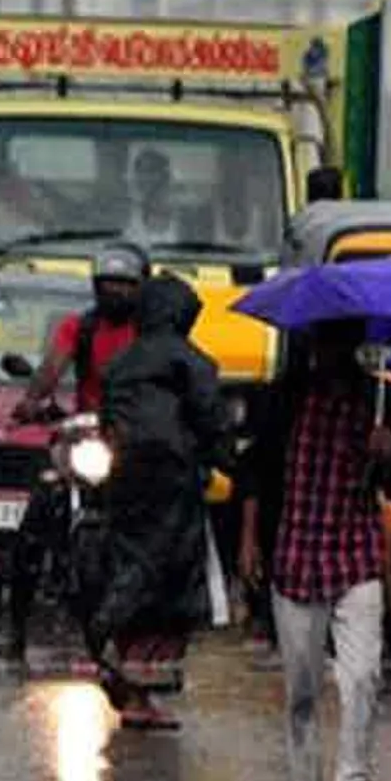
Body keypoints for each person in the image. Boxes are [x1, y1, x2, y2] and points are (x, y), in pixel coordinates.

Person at [239, 319, 391, 781]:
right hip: (294, 555)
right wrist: (248, 542)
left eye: (339, 343)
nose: (329, 353)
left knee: (362, 678)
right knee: (303, 695)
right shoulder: (282, 398)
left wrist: (386, 454)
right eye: (321, 342)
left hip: (355, 554)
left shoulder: (384, 399)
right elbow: (257, 474)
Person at [0, 243, 151, 663]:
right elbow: (51, 370)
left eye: (125, 285)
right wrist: (32, 402)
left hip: (136, 442)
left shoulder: (151, 334)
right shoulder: (78, 328)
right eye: (108, 285)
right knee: (36, 520)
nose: (115, 293)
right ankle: (16, 634)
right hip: (87, 437)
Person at [88, 276, 232, 729]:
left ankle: (125, 670)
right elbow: (213, 425)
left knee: (132, 566)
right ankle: (136, 676)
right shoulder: (194, 364)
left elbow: (107, 420)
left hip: (124, 486)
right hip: (175, 489)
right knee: (170, 586)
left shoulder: (117, 364)